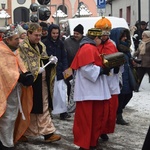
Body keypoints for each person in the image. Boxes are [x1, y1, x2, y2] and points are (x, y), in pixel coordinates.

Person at [18, 23, 61, 142]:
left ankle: (48, 133)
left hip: (41, 82)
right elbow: (21, 64)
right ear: (29, 34)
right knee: (28, 108)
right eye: (36, 35)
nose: (38, 38)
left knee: (44, 106)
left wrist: (51, 60)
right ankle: (21, 132)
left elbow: (42, 59)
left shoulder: (41, 45)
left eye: (40, 35)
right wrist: (34, 71)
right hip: (28, 83)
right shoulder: (22, 47)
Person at [71, 28, 111, 150]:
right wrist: (102, 70)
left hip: (92, 90)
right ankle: (85, 144)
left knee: (94, 119)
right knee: (86, 120)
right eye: (100, 38)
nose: (101, 40)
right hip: (88, 91)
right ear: (96, 38)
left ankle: (91, 142)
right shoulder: (88, 48)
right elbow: (86, 69)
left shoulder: (89, 47)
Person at [0, 28, 33, 149]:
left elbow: (19, 65)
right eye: (15, 39)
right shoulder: (1, 51)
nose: (18, 41)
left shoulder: (14, 50)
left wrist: (26, 73)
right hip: (4, 89)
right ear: (7, 40)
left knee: (12, 116)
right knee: (6, 117)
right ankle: (6, 144)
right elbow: (4, 71)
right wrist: (19, 77)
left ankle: (7, 140)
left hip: (14, 89)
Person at [95, 17, 121, 140]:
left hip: (110, 80)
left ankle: (105, 130)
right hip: (99, 78)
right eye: (102, 35)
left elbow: (118, 60)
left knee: (110, 107)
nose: (104, 37)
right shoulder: (95, 44)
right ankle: (98, 129)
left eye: (106, 35)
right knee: (100, 108)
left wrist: (117, 66)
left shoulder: (112, 45)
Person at [42, 24, 71, 120]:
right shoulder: (45, 43)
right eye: (53, 33)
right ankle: (49, 110)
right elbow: (42, 57)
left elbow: (64, 56)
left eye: (57, 33)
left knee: (62, 92)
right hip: (49, 72)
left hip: (60, 71)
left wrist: (66, 68)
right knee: (50, 92)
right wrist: (48, 59)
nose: (55, 35)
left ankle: (63, 111)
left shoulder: (61, 43)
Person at [110, 27, 134, 125]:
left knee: (128, 94)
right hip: (119, 76)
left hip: (127, 74)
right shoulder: (115, 49)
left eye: (126, 36)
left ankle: (118, 113)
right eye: (122, 36)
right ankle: (118, 115)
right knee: (121, 96)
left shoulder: (126, 49)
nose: (125, 38)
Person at [64, 24, 84, 104]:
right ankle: (70, 104)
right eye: (74, 33)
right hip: (68, 67)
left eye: (77, 34)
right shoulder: (67, 41)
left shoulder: (84, 41)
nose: (75, 35)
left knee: (80, 87)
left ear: (81, 34)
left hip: (80, 68)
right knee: (69, 86)